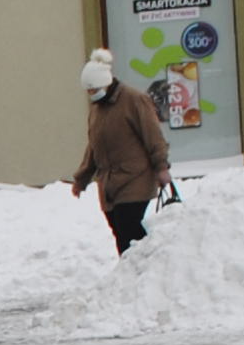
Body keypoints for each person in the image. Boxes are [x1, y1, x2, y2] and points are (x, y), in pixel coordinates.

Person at [69, 48, 170, 252]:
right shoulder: (97, 110)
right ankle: (131, 273)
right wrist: (82, 178)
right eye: (88, 91)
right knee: (119, 230)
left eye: (94, 89)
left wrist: (161, 167)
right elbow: (94, 146)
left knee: (129, 228)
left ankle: (149, 267)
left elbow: (153, 136)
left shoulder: (134, 100)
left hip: (135, 179)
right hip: (109, 185)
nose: (91, 94)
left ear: (106, 83)